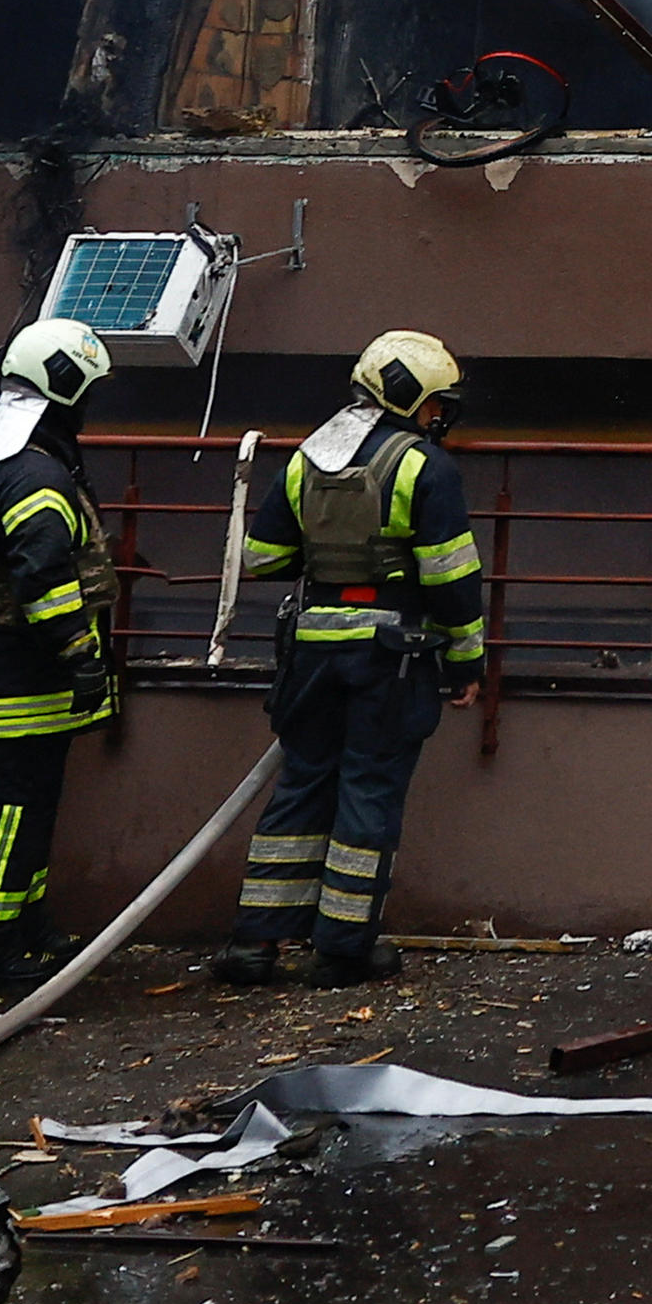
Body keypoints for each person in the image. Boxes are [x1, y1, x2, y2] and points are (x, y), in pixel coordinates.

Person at [212, 331, 489, 986]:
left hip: (310, 651)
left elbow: (263, 558)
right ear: (411, 398)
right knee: (368, 791)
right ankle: (342, 948)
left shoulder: (309, 457)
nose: (437, 415)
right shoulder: (424, 467)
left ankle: (256, 944)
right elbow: (451, 576)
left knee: (302, 785)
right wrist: (466, 661)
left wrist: (330, 552)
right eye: (434, 403)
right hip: (390, 656)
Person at [0, 316, 119, 988]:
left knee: (29, 805)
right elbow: (43, 579)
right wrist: (81, 654)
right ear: (65, 387)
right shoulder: (32, 473)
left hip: (13, 664)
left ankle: (23, 927)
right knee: (7, 810)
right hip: (15, 668)